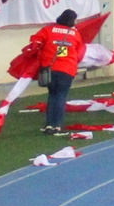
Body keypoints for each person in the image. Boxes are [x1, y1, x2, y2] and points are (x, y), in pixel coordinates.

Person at [34, 8, 86, 136]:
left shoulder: (48, 30)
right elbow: (78, 52)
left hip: (49, 68)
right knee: (61, 96)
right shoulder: (75, 34)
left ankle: (49, 125)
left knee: (52, 95)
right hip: (67, 69)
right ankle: (57, 126)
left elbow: (35, 42)